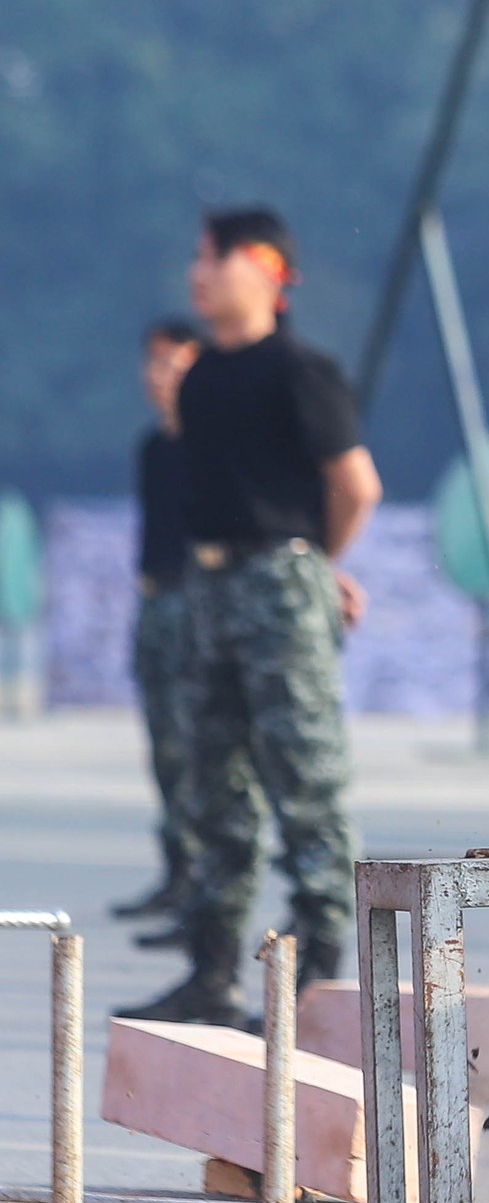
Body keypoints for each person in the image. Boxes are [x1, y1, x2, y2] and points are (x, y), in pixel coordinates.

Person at [128, 208, 380, 1030]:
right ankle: (211, 973)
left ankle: (319, 984)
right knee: (213, 789)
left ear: (265, 269)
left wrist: (316, 565)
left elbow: (354, 485)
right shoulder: (200, 380)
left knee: (304, 784)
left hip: (279, 584)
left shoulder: (300, 370)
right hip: (208, 591)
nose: (197, 274)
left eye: (213, 259)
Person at [113, 318, 209, 934]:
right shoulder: (154, 446)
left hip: (199, 606)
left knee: (201, 750)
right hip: (155, 605)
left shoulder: (212, 445)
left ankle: (203, 887)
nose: (160, 376)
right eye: (154, 363)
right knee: (165, 751)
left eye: (175, 363)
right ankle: (178, 874)